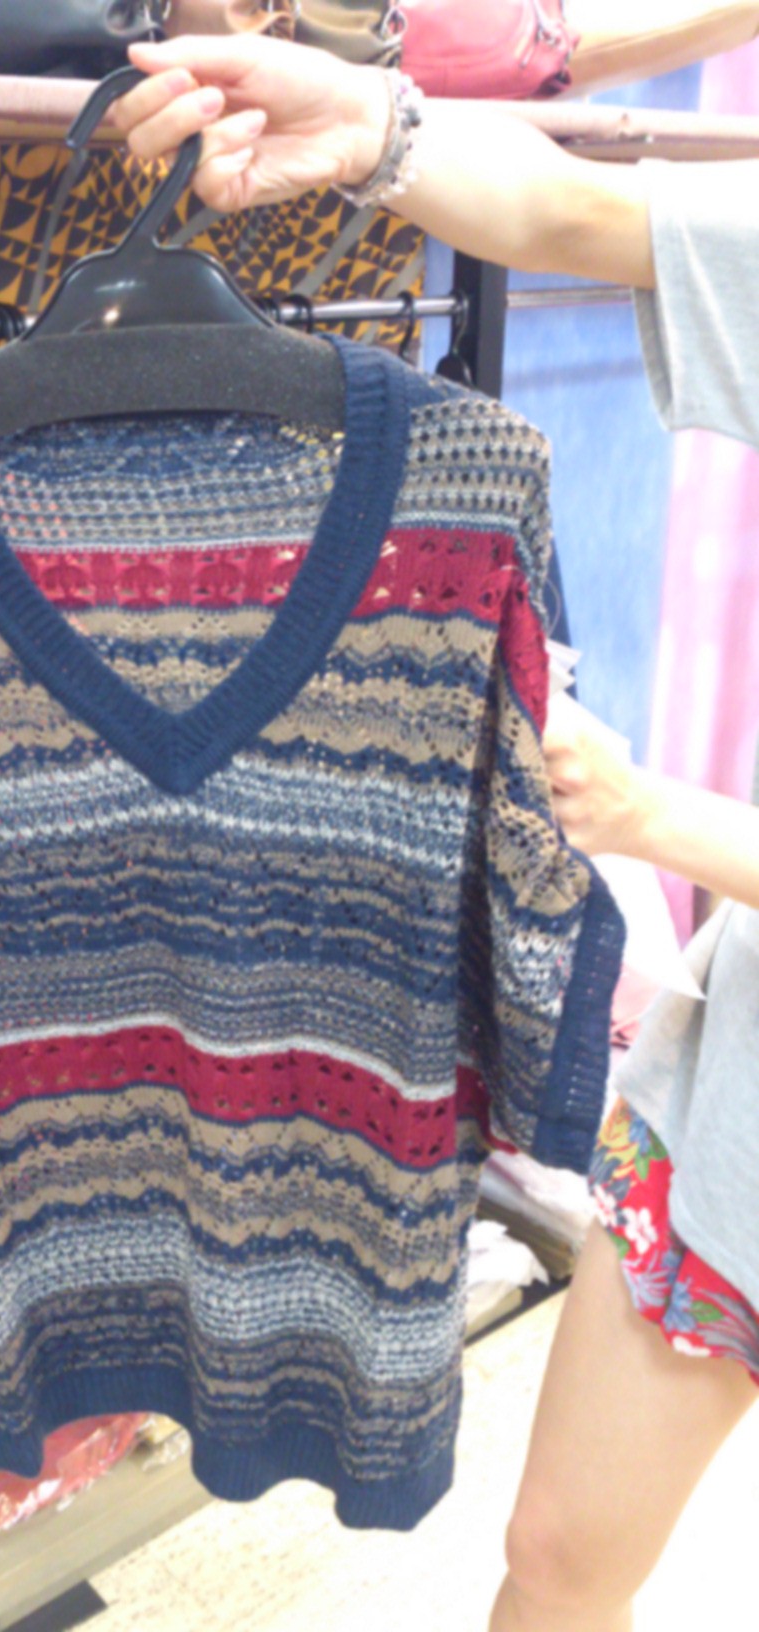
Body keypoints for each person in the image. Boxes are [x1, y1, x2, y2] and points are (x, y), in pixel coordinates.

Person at [114, 32, 759, 1632]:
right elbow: (573, 214)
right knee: (558, 1556)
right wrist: (373, 124)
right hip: (739, 1107)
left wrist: (659, 822)